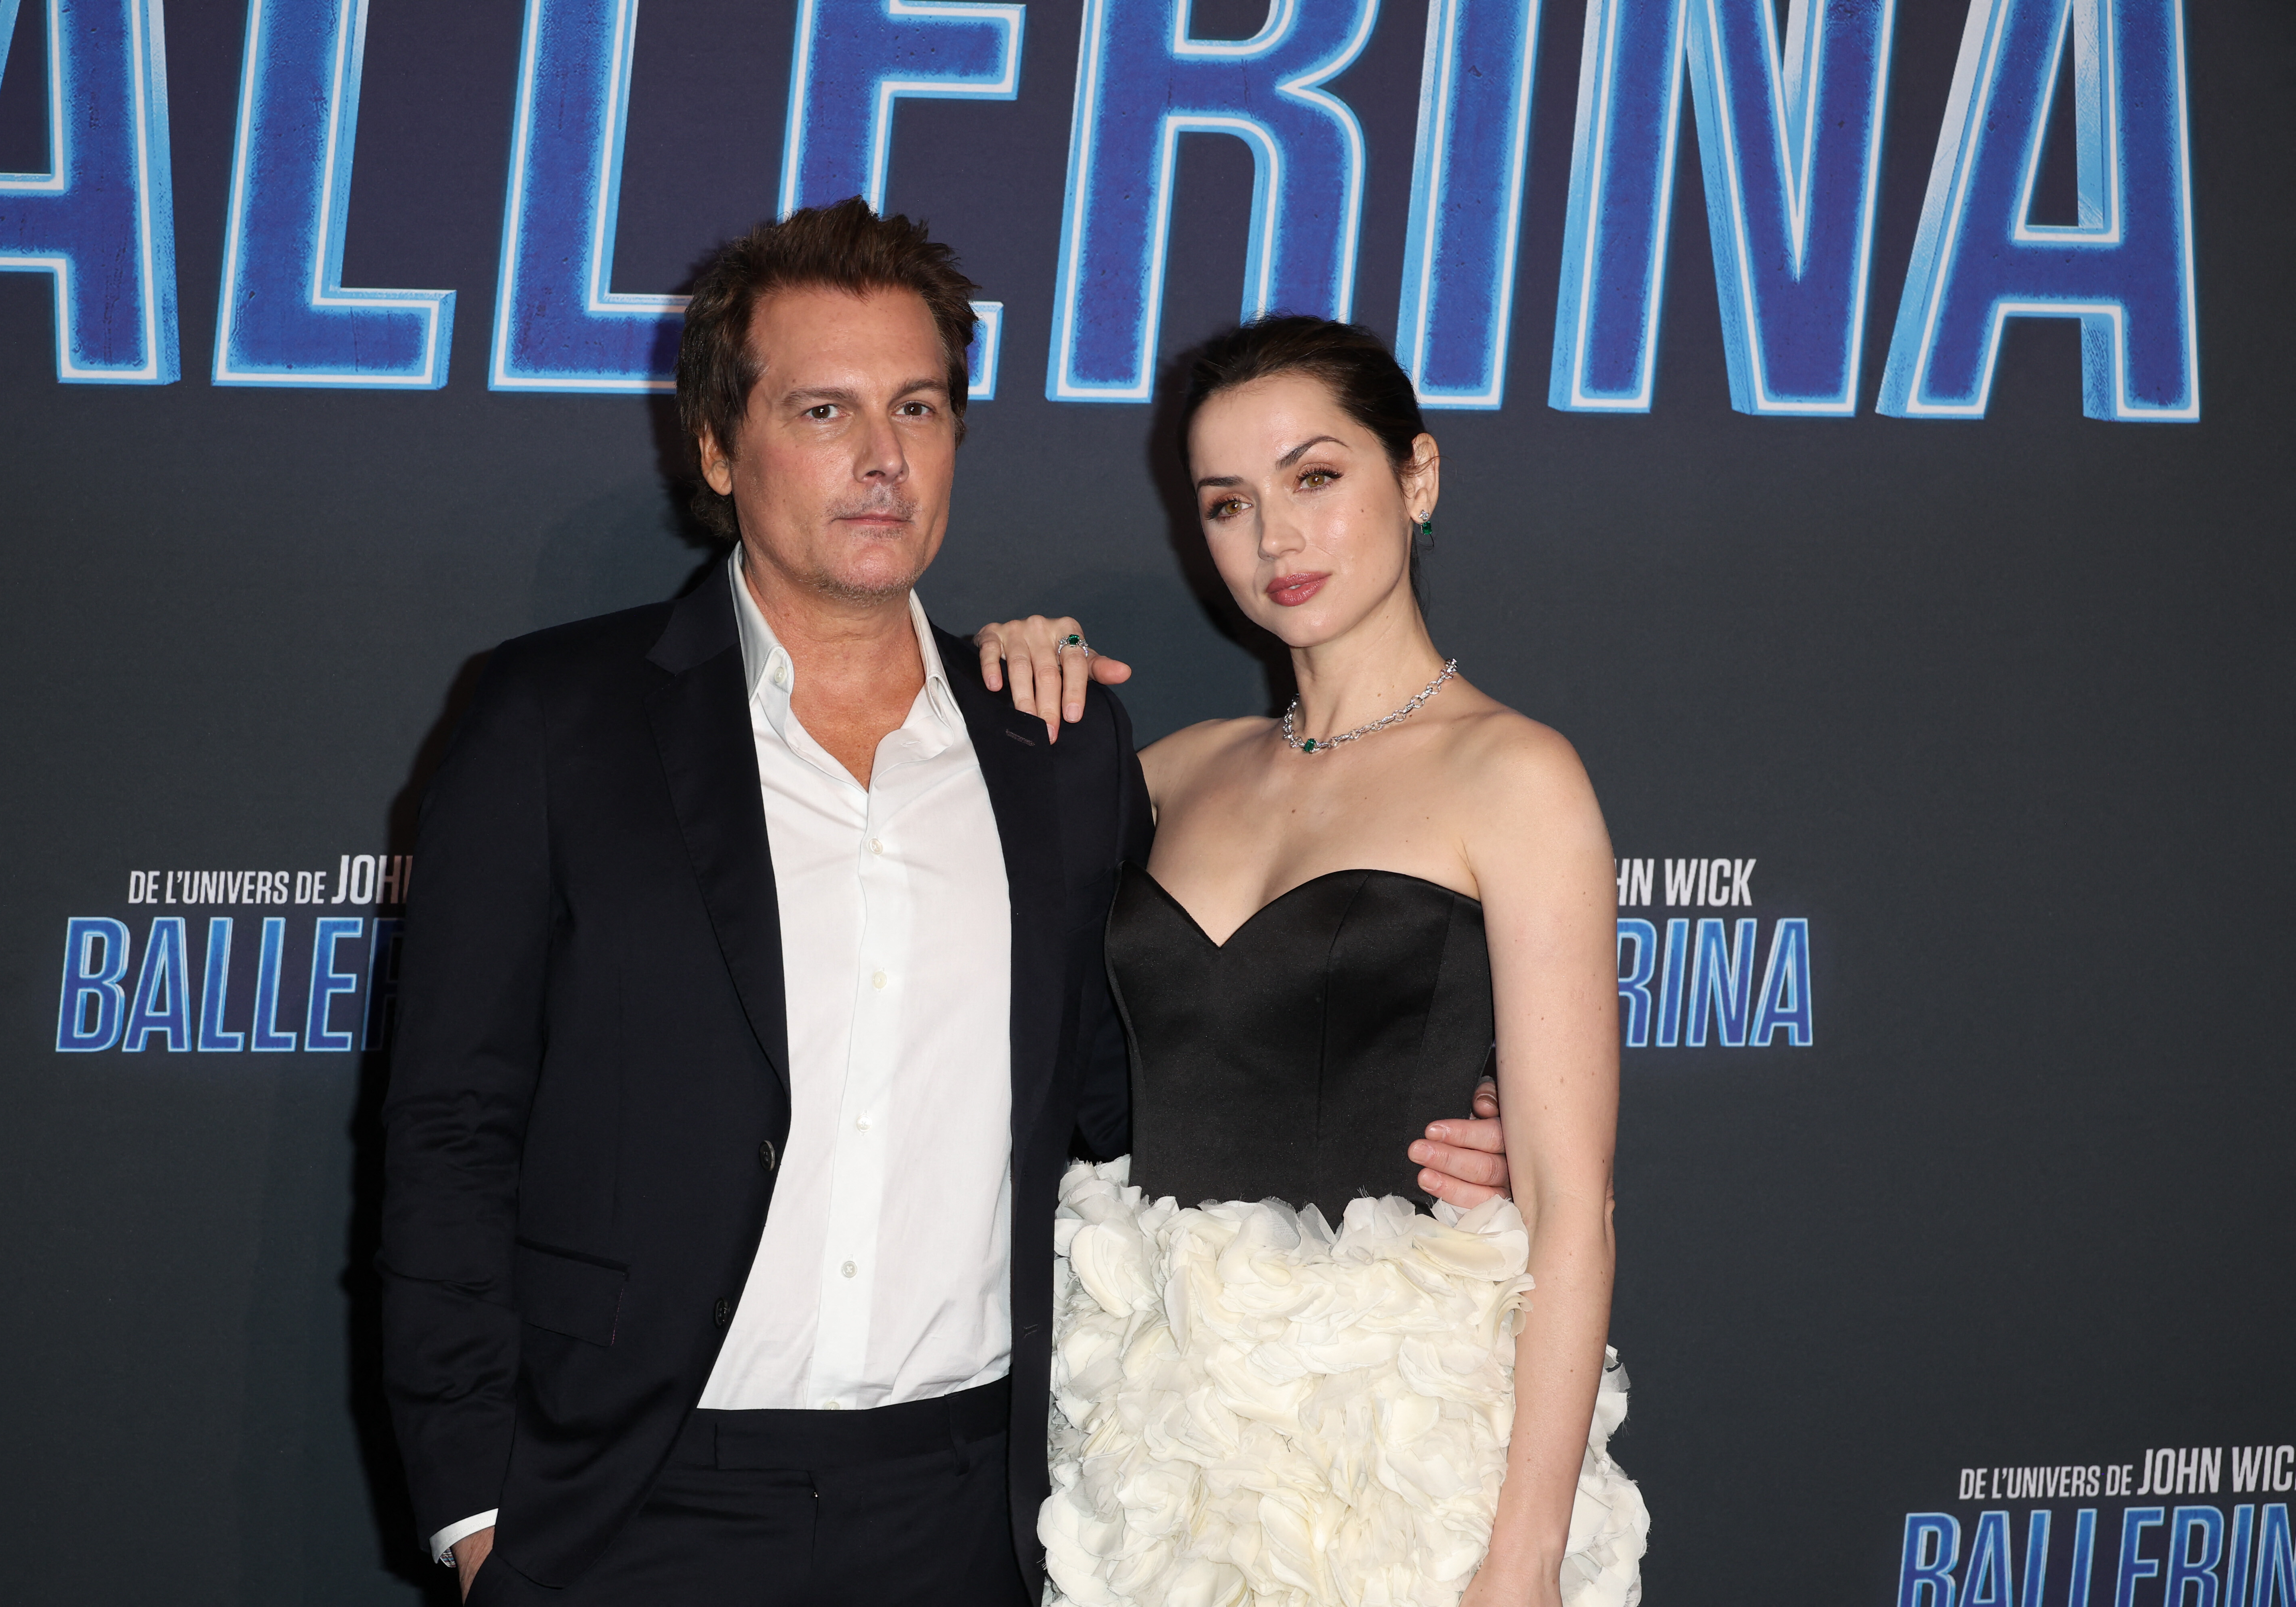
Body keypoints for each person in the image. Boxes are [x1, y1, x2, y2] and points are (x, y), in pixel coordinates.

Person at [376, 202, 1512, 1607]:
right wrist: (479, 1515)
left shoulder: (1055, 746)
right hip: (624, 1509)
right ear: (719, 448)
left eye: (916, 406)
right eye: (824, 410)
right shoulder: (553, 722)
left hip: (966, 1516)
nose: (882, 457)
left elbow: (1138, 1099)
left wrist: (1419, 1140)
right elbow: (449, 1127)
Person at [973, 316, 1648, 1607]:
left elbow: (1575, 1210)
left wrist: (1523, 1558)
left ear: (1418, 476)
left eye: (1316, 478)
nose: (1276, 539)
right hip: (1160, 1436)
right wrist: (1006, 679)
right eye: (1229, 504)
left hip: (1404, 1451)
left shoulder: (1516, 776)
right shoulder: (1169, 772)